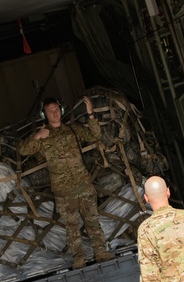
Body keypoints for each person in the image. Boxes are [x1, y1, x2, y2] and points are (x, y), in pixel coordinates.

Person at [19, 95, 115, 269]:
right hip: (64, 191)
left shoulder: (73, 129)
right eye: (50, 111)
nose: (55, 114)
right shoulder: (43, 136)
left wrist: (91, 114)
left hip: (84, 185)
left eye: (57, 109)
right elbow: (23, 150)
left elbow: (95, 135)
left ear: (61, 110)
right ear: (44, 115)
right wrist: (37, 136)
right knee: (72, 228)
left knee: (92, 221)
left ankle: (100, 252)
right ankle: (79, 258)